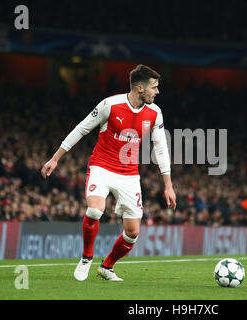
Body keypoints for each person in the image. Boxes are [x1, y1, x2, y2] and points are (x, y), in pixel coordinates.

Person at [41, 64, 176, 281]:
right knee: (95, 211)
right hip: (102, 167)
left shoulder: (155, 113)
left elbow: (161, 148)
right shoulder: (110, 105)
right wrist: (55, 158)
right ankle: (86, 258)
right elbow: (82, 128)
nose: (157, 92)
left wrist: (168, 185)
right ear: (140, 88)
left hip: (130, 175)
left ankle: (107, 267)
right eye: (154, 87)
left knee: (132, 233)